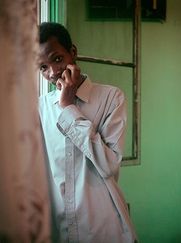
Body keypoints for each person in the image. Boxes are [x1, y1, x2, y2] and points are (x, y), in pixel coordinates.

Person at [38, 22, 136, 242]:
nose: (53, 72)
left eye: (56, 59)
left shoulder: (112, 97)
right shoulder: (40, 108)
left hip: (102, 226)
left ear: (73, 52)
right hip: (58, 227)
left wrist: (68, 108)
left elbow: (109, 165)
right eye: (43, 67)